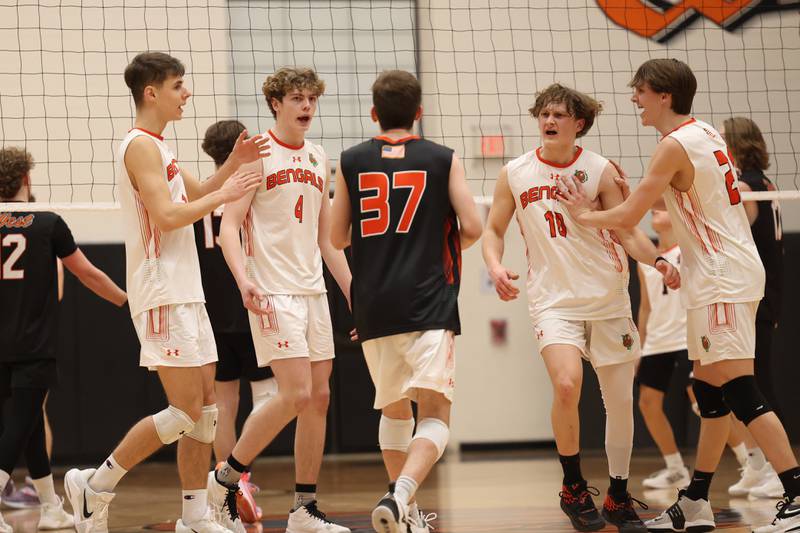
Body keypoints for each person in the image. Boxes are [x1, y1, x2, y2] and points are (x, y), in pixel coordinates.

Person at [558, 58, 800, 533]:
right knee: (710, 391)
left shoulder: (672, 146)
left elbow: (627, 217)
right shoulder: (706, 133)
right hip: (717, 275)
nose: (635, 100)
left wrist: (582, 214)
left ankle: (795, 494)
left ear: (663, 96)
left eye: (640, 92)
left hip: (721, 277)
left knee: (742, 389)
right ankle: (695, 500)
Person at [63, 52, 267, 533]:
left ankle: (194, 514)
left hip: (187, 291)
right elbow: (168, 216)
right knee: (183, 411)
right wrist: (224, 194)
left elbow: (197, 195)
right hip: (160, 291)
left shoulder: (163, 147)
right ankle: (95, 485)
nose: (187, 92)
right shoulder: (139, 147)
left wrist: (232, 166)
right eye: (179, 85)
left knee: (208, 412)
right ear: (151, 92)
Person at [482, 83, 679, 533]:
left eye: (559, 115)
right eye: (543, 114)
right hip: (553, 302)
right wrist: (495, 266)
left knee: (619, 403)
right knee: (567, 385)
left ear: (579, 124)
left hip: (608, 299)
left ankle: (618, 493)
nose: (549, 121)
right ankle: (572, 487)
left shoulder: (601, 171)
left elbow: (629, 232)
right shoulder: (514, 172)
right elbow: (493, 230)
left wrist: (658, 259)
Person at [330, 69, 482, 533]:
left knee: (395, 409)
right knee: (435, 413)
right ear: (419, 112)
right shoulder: (441, 158)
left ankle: (405, 515)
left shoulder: (351, 160)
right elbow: (473, 226)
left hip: (373, 302)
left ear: (374, 113)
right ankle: (400, 494)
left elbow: (337, 236)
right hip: (428, 299)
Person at [210, 67, 352, 533]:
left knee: (319, 398)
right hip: (273, 292)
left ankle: (303, 510)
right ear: (276, 103)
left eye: (312, 98)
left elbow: (328, 239)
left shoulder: (317, 155)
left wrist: (355, 295)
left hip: (313, 292)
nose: (307, 106)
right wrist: (243, 279)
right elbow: (228, 227)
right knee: (294, 394)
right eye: (297, 98)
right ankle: (225, 478)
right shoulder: (257, 155)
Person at [0, 147, 127, 531]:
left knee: (31, 423)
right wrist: (127, 302)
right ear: (27, 179)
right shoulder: (48, 222)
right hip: (34, 344)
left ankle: (50, 506)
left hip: (2, 342)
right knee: (21, 423)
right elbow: (86, 274)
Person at [195, 119, 280, 524]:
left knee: (222, 406)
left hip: (211, 313)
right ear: (242, 146)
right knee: (269, 396)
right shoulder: (252, 187)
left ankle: (230, 482)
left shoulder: (199, 195)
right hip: (253, 303)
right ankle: (239, 473)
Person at [720, 116, 785, 501]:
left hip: (755, 297)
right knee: (742, 383)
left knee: (758, 383)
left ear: (733, 148)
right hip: (767, 294)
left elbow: (731, 239)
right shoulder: (766, 184)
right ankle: (759, 464)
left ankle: (779, 470)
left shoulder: (746, 187)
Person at [636, 200, 692, 490]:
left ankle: (750, 463)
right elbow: (645, 307)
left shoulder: (689, 249)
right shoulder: (645, 257)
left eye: (662, 207)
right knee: (647, 403)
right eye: (653, 208)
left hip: (687, 336)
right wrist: (639, 346)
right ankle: (675, 468)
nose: (653, 209)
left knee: (702, 402)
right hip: (657, 340)